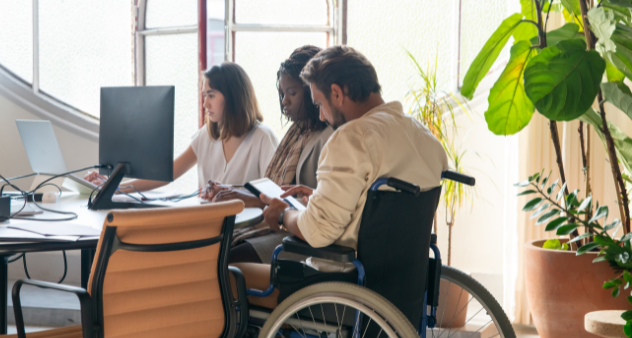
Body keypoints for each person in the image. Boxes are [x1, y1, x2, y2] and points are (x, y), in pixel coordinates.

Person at [252, 45, 448, 270]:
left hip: (338, 285)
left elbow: (318, 232)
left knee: (231, 275)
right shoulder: (425, 137)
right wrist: (321, 197)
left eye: (319, 104)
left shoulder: (351, 138)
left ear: (336, 93)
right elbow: (383, 216)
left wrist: (283, 214)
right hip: (401, 283)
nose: (321, 116)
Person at [203, 46, 334, 264]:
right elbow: (275, 188)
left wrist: (249, 199)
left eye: (292, 93)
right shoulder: (297, 133)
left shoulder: (328, 137)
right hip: (285, 228)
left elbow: (312, 205)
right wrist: (232, 190)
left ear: (313, 89)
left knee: (223, 260)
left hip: (299, 237)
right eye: (282, 94)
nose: (284, 102)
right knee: (213, 250)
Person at [84, 62, 278, 192]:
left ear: (233, 96)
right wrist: (113, 187)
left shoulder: (262, 138)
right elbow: (166, 174)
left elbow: (274, 195)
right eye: (204, 96)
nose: (205, 104)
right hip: (211, 228)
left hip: (244, 234)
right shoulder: (207, 136)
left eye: (211, 95)